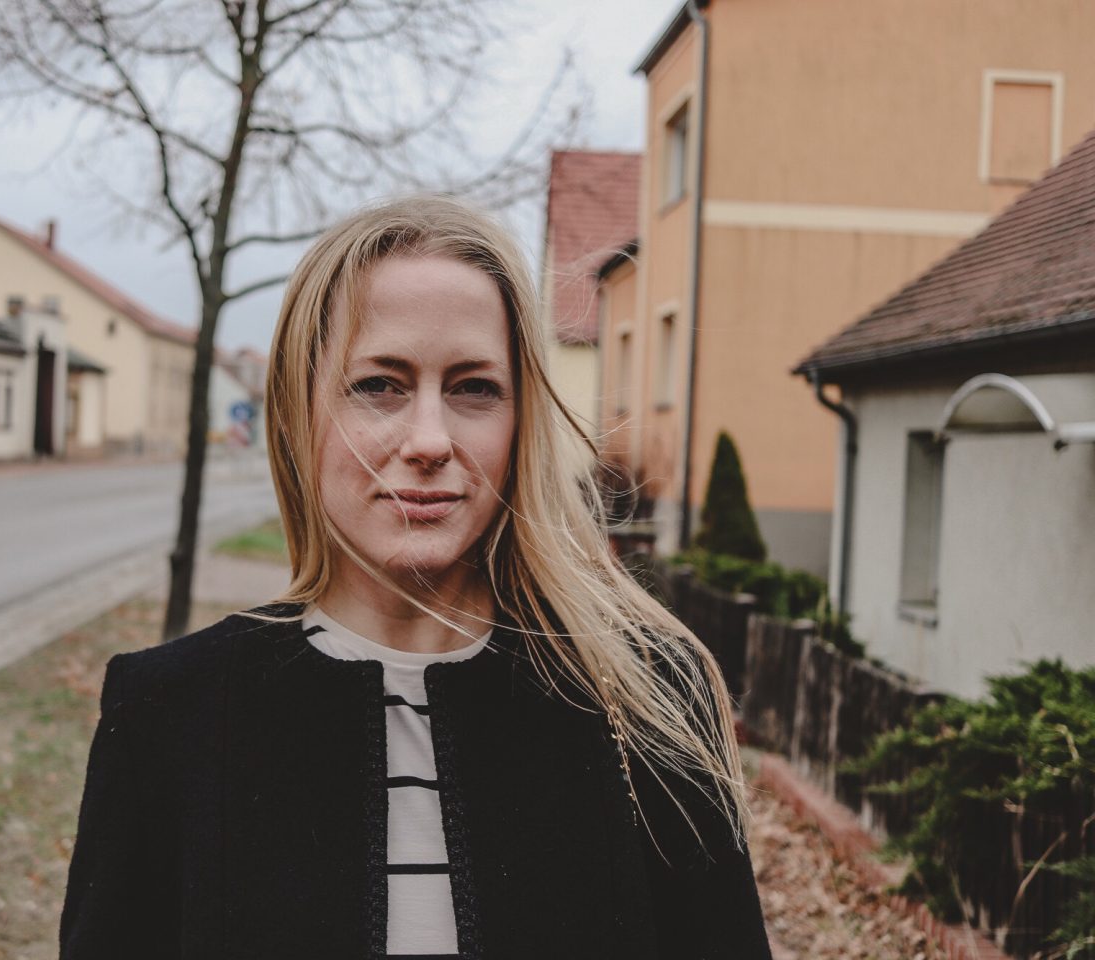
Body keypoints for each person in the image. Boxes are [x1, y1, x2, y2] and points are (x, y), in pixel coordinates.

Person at [58, 195, 773, 959]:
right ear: (298, 412)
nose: (429, 440)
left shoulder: (650, 699)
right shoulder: (166, 714)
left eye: (474, 388)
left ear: (521, 421)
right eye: (379, 385)